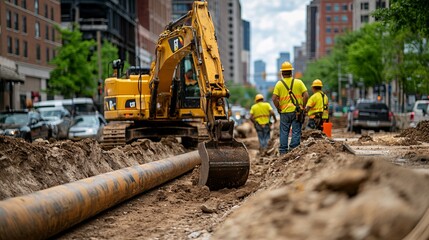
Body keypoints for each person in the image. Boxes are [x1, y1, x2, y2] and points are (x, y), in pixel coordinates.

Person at [272, 61, 309, 155]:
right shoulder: (299, 82)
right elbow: (306, 95)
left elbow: (274, 98)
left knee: (284, 131)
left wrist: (278, 108)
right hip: (297, 112)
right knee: (296, 130)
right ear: (291, 72)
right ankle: (294, 149)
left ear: (282, 73)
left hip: (284, 112)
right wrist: (303, 107)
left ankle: (283, 152)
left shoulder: (279, 84)